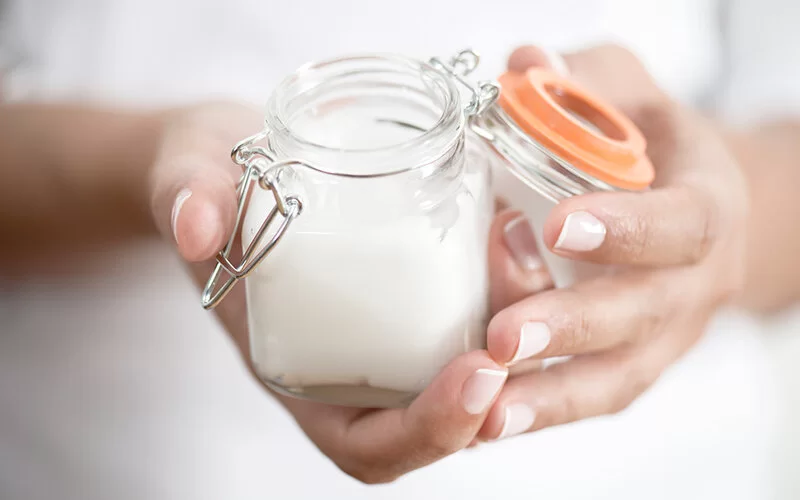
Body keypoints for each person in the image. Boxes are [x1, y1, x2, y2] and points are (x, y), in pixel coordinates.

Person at [1, 0, 798, 498]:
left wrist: (725, 226)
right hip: (110, 463)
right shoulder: (276, 177)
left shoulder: (462, 168)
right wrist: (140, 165)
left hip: (655, 470)